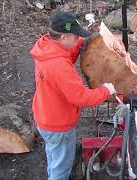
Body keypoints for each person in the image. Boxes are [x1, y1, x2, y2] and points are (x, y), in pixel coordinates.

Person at [30, 11, 116, 180]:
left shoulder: (47, 47)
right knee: (61, 169)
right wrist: (106, 90)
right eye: (75, 36)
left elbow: (69, 51)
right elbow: (80, 97)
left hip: (46, 116)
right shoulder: (58, 65)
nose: (78, 39)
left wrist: (89, 42)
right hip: (58, 125)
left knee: (54, 155)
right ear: (63, 38)